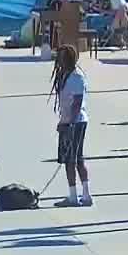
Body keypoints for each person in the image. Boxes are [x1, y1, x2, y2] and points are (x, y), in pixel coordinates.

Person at [51, 44, 93, 206]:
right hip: (70, 120)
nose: (58, 61)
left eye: (61, 58)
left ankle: (74, 196)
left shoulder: (76, 77)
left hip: (75, 122)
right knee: (76, 158)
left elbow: (76, 103)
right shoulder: (66, 75)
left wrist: (68, 124)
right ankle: (85, 195)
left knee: (71, 159)